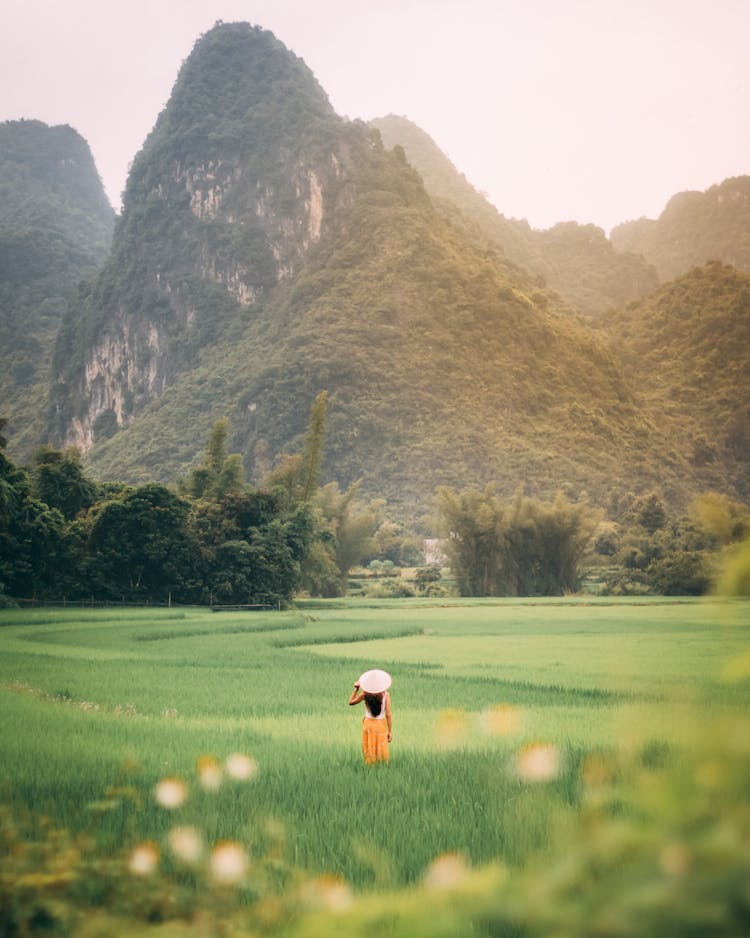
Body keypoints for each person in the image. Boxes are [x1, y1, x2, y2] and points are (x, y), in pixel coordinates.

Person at [348, 671, 392, 765]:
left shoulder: (365, 694)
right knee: (380, 748)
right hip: (380, 725)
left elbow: (351, 702)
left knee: (369, 747)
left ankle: (370, 767)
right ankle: (381, 767)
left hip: (368, 725)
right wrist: (390, 731)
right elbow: (388, 714)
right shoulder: (386, 695)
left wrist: (356, 689)